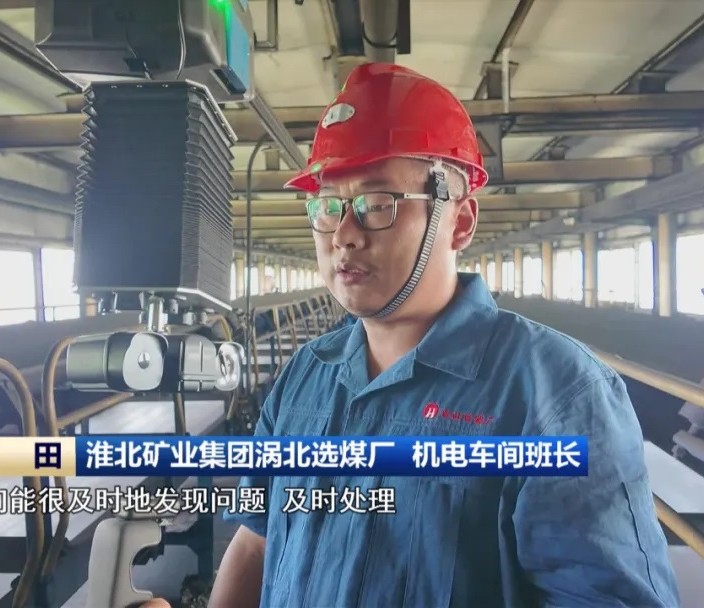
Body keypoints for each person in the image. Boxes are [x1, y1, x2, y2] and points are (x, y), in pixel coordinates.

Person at [211, 63, 680, 607]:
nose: (343, 234)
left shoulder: (553, 394)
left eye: (377, 205)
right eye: (328, 205)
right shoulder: (305, 376)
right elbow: (256, 541)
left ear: (459, 223)